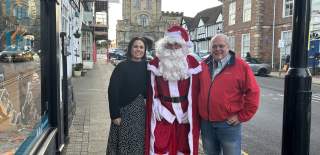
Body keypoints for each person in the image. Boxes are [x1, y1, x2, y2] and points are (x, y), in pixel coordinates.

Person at [198, 34, 260, 155]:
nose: (217, 49)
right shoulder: (202, 65)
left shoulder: (241, 66)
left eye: (221, 46)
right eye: (214, 46)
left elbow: (253, 93)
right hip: (206, 124)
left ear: (228, 47)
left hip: (227, 124)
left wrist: (241, 116)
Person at [145, 26, 201, 155]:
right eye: (169, 45)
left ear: (183, 46)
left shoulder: (192, 64)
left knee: (185, 147)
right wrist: (161, 110)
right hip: (163, 114)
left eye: (177, 44)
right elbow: (152, 93)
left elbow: (198, 91)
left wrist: (191, 111)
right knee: (160, 147)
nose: (173, 48)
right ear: (164, 46)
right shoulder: (155, 64)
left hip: (186, 114)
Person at [106, 37, 147, 155]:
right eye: (135, 46)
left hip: (140, 114)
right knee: (122, 145)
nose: (138, 49)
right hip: (123, 113)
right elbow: (112, 91)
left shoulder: (147, 67)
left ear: (144, 50)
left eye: (141, 47)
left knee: (138, 144)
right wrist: (115, 115)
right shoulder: (122, 67)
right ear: (130, 48)